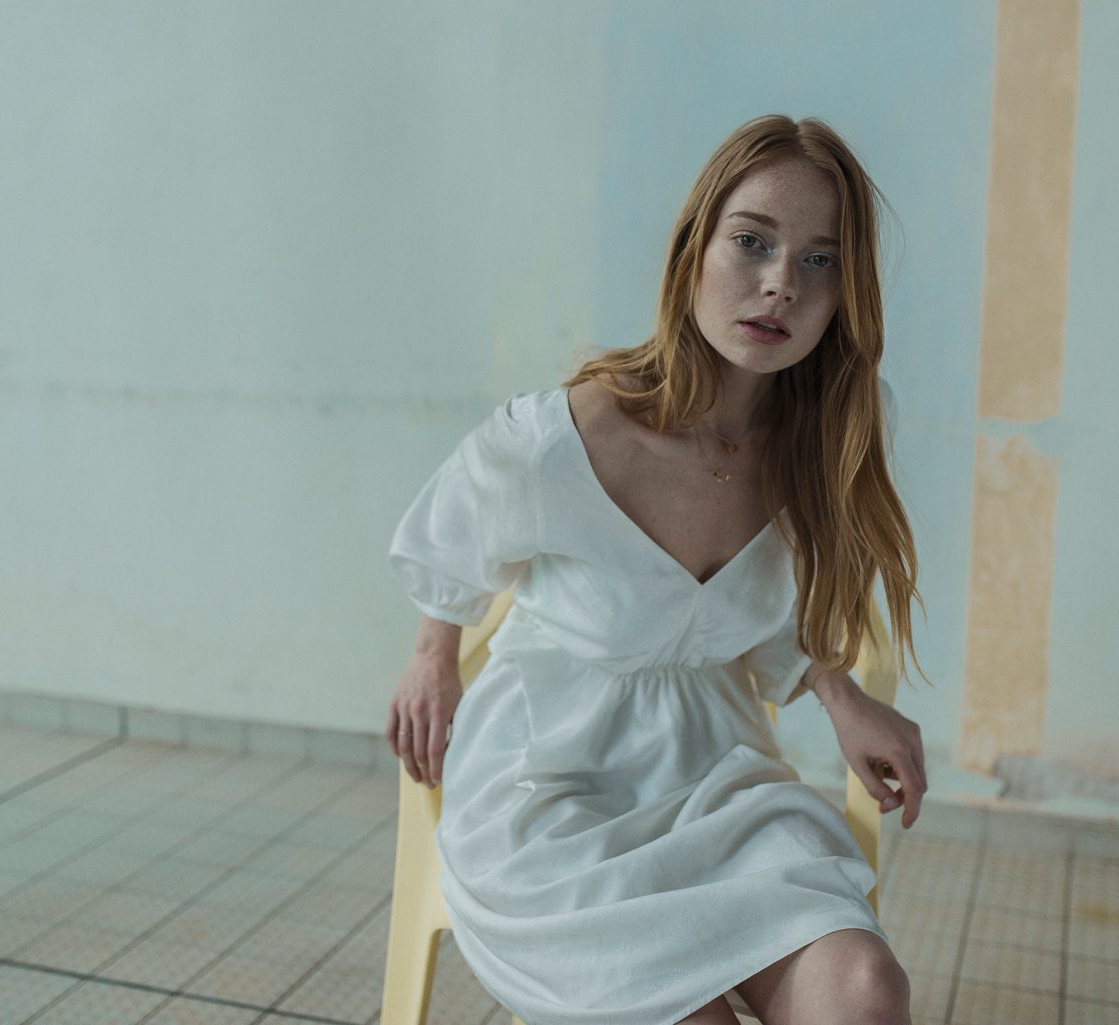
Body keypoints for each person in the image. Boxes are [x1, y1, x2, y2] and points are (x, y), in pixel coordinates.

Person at [385, 114, 928, 1025]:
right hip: (550, 788)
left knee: (865, 989)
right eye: (752, 242)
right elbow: (452, 535)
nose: (780, 284)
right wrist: (432, 655)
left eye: (818, 260)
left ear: (846, 292)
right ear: (694, 248)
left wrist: (840, 695)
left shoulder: (825, 440)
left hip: (717, 777)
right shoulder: (569, 437)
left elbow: (764, 614)